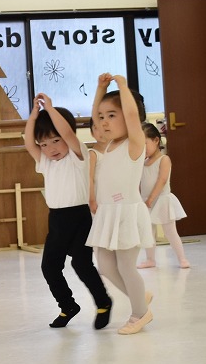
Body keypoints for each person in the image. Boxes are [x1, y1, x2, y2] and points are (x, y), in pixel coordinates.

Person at [23, 93, 113, 328]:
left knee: (81, 264)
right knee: (49, 266)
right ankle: (67, 306)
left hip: (80, 218)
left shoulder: (77, 155)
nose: (50, 148)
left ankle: (103, 303)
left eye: (55, 140)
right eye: (44, 144)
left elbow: (68, 134)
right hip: (57, 220)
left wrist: (50, 109)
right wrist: (33, 116)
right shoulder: (45, 162)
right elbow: (29, 143)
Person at [86, 74, 157, 334]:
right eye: (101, 117)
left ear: (128, 118)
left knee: (127, 267)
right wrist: (100, 88)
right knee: (105, 266)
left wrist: (123, 87)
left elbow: (131, 113)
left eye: (111, 116)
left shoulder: (134, 144)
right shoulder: (108, 145)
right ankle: (140, 297)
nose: (103, 122)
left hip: (127, 212)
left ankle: (140, 313)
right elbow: (95, 118)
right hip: (107, 213)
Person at [137, 122, 190, 269]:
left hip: (161, 200)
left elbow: (162, 180)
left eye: (145, 144)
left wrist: (151, 198)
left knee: (170, 231)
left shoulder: (164, 159)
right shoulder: (143, 162)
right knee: (148, 232)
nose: (142, 149)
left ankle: (182, 258)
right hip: (146, 201)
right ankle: (150, 259)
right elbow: (139, 183)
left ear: (156, 140)